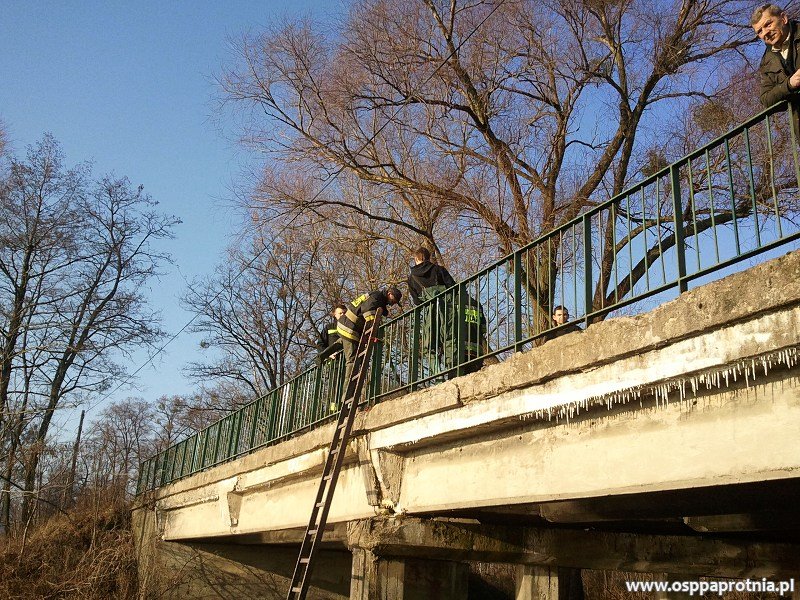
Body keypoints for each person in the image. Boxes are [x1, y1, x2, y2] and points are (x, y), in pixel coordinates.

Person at [336, 287, 402, 389]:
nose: (393, 304)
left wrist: (383, 312)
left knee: (358, 362)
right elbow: (368, 311)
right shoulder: (376, 297)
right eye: (394, 300)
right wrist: (374, 331)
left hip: (349, 328)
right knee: (352, 362)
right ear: (389, 294)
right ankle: (347, 393)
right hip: (349, 329)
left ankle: (354, 389)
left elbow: (375, 308)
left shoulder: (377, 297)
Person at [407, 247, 456, 376]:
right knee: (449, 339)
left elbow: (417, 302)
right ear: (428, 257)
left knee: (429, 345)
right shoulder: (439, 270)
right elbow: (454, 288)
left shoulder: (412, 278)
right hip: (447, 310)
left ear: (416, 259)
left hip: (429, 313)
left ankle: (437, 374)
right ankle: (453, 371)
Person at [752, 4, 800, 125]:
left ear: (783, 18)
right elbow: (766, 99)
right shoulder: (766, 62)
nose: (765, 33)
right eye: (759, 31)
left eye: (768, 24)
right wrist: (789, 84)